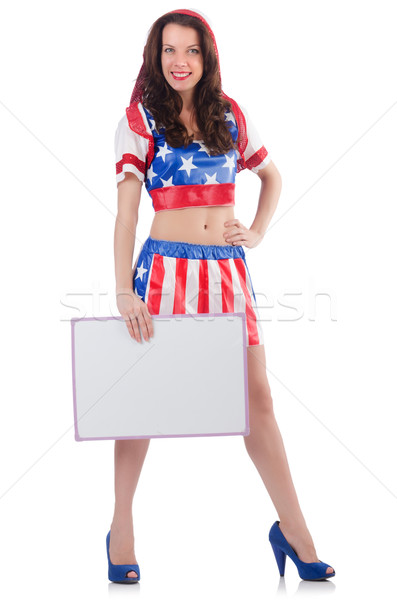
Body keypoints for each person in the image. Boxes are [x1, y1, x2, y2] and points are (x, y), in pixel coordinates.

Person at [107, 8, 335, 584]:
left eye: (191, 51)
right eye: (168, 51)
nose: (179, 61)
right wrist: (122, 291)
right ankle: (122, 527)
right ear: (155, 59)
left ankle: (293, 528)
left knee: (257, 399)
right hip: (164, 272)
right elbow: (127, 214)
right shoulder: (139, 118)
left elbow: (272, 176)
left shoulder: (230, 113)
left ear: (207, 57)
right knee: (141, 402)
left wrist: (255, 233)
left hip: (227, 272)